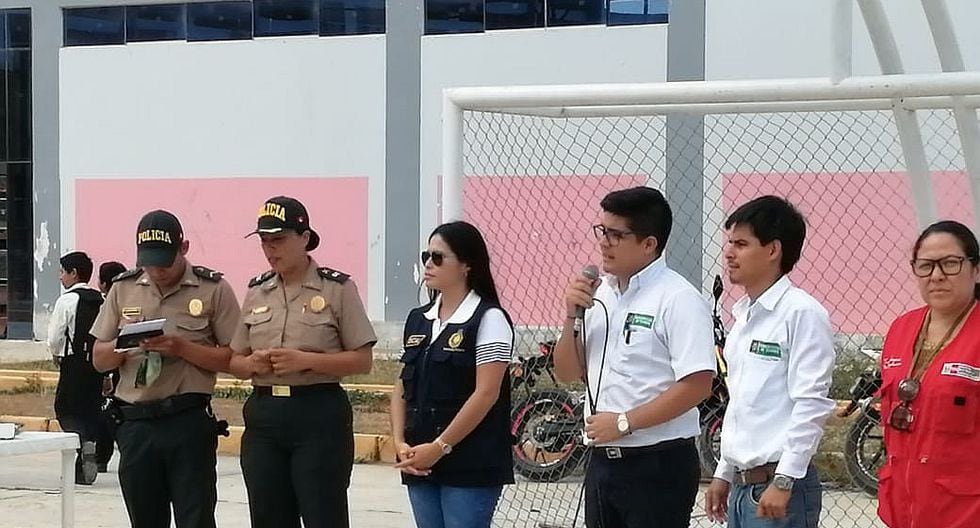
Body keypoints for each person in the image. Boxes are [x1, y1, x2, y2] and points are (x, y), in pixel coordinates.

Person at [553, 186, 716, 528]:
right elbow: (567, 371)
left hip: (657, 463)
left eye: (616, 235)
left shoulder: (678, 298)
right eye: (602, 231)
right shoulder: (601, 296)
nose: (604, 243)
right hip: (602, 461)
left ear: (649, 243)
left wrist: (624, 423)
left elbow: (698, 384)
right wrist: (571, 315)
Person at [228, 196, 377, 528]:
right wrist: (251, 365)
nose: (270, 249)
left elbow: (362, 360)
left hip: (317, 413)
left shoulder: (337, 289)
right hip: (265, 417)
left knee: (323, 514)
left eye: (279, 240)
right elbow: (234, 359)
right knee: (268, 515)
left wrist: (306, 361)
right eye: (264, 241)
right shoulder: (257, 291)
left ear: (305, 238)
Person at [90, 210, 240, 528]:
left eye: (164, 262)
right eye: (149, 262)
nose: (157, 270)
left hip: (187, 421)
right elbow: (98, 358)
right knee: (144, 519)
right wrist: (125, 344)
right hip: (136, 425)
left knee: (195, 518)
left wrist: (182, 348)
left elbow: (235, 359)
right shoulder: (124, 288)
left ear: (183, 248)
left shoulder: (213, 289)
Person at [703, 196, 835, 528]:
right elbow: (741, 405)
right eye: (730, 243)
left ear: (773, 250)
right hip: (742, 489)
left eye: (741, 244)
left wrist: (785, 479)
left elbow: (811, 404)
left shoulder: (801, 313)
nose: (729, 253)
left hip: (779, 490)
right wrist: (724, 472)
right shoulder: (744, 316)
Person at [391, 221, 515, 528]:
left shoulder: (489, 318)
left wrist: (440, 447)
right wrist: (399, 442)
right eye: (426, 256)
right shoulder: (419, 319)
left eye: (438, 257)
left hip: (470, 460)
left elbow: (486, 393)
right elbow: (402, 386)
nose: (428, 265)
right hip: (419, 458)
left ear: (466, 265)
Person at [877, 220, 980, 528]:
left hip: (965, 514)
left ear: (976, 270)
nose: (936, 275)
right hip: (903, 510)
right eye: (925, 266)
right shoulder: (900, 329)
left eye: (950, 263)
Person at [47, 251, 104, 485]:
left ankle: (81, 443)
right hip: (97, 362)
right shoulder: (100, 299)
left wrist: (56, 353)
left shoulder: (67, 300)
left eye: (63, 272)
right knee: (90, 408)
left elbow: (55, 335)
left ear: (74, 273)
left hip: (72, 362)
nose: (60, 277)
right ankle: (89, 444)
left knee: (65, 408)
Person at [96, 259, 128, 470]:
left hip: (117, 368)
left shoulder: (109, 307)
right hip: (120, 368)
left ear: (104, 284)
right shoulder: (129, 301)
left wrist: (106, 375)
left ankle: (103, 457)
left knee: (111, 415)